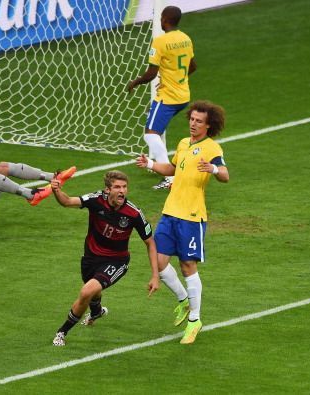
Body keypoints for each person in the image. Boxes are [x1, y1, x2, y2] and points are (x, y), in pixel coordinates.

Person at [136, 100, 229, 344]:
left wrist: (213, 170)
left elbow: (226, 175)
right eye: (191, 119)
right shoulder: (184, 143)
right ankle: (183, 299)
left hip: (191, 216)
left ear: (208, 126)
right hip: (170, 212)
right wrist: (150, 164)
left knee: (187, 265)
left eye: (199, 121)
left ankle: (195, 320)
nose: (193, 123)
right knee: (158, 261)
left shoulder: (212, 148)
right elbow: (172, 168)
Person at [50, 170, 159, 347]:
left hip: (117, 262)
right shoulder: (95, 200)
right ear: (108, 190)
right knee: (93, 289)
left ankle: (62, 332)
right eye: (117, 187)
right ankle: (96, 312)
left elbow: (150, 243)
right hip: (90, 258)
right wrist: (57, 190)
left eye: (124, 187)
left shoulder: (134, 214)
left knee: (86, 291)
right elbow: (67, 201)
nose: (122, 191)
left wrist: (155, 275)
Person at [127, 6, 196, 190]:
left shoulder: (160, 42)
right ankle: (160, 165)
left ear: (165, 18)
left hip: (168, 98)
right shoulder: (185, 39)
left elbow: (151, 73)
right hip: (183, 96)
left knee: (150, 135)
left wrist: (136, 81)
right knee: (157, 130)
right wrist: (174, 79)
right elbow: (193, 66)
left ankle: (169, 177)